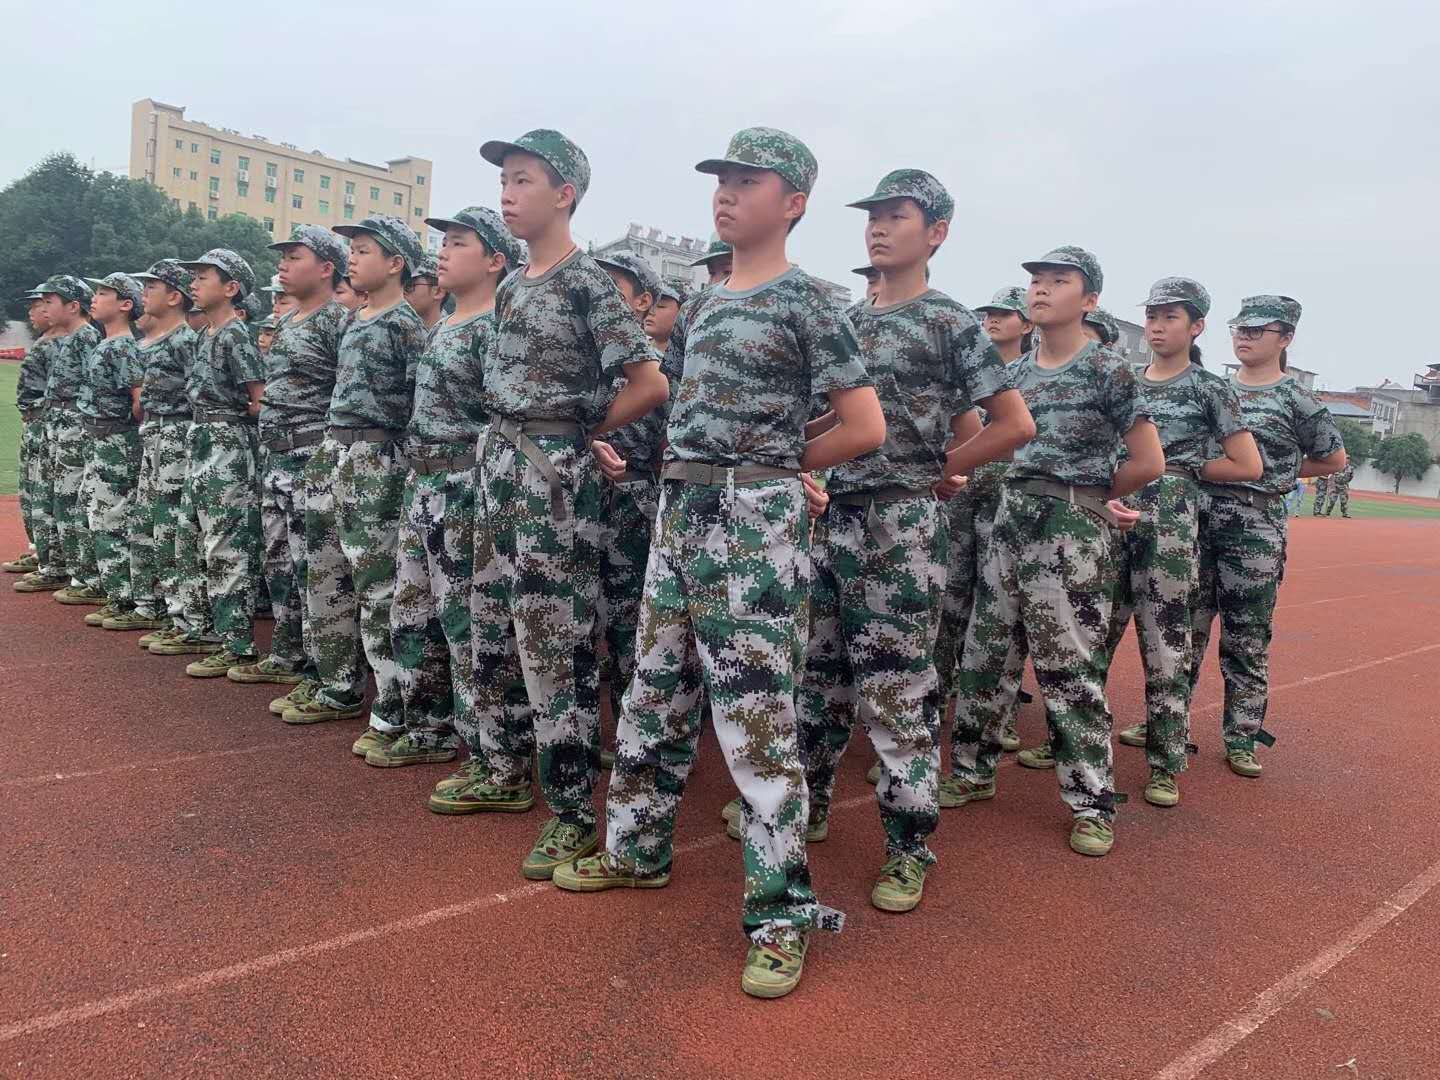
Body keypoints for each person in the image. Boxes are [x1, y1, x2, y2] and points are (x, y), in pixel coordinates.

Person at [555, 127, 885, 1001]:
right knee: (654, 687)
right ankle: (635, 848)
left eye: (749, 180)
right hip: (682, 508)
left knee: (755, 716)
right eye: (723, 179)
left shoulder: (811, 303)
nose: (727, 193)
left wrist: (779, 469)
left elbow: (864, 425)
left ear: (795, 202)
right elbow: (683, 407)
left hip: (752, 521)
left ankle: (780, 916)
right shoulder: (701, 305)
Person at [794, 169, 1033, 914]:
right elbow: (830, 417)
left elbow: (1012, 424)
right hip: (834, 519)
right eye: (873, 215)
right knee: (818, 677)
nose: (878, 226)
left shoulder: (949, 322)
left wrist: (941, 470)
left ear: (936, 233)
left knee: (898, 693)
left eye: (897, 216)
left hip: (901, 527)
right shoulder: (846, 321)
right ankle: (811, 804)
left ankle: (908, 846)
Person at [463, 128, 664, 877]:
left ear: (564, 194)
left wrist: (583, 435)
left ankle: (575, 811)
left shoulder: (587, 283)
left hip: (549, 476)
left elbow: (649, 383)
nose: (507, 195)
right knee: (492, 624)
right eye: (504, 181)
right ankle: (504, 769)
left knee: (555, 642)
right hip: (499, 463)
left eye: (523, 180)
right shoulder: (513, 283)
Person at [947, 246, 1162, 858]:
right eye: (1036, 280)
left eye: (1058, 281)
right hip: (1010, 518)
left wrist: (1090, 496)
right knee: (986, 653)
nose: (1040, 289)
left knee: (1069, 667)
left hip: (1071, 529)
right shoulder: (1013, 375)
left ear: (1089, 299)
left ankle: (1092, 802)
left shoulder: (1109, 370)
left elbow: (1148, 460)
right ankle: (971, 770)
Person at [1101, 279, 1261, 808]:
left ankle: (1165, 764)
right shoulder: (1122, 380)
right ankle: (1076, 744)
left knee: (1166, 646)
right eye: (1152, 316)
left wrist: (1181, 469)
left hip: (1170, 526)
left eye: (1170, 317)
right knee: (1093, 638)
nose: (1156, 326)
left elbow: (1247, 464)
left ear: (1196, 327)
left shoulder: (1209, 388)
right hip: (1112, 517)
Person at [281, 216, 429, 760]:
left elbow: (419, 406)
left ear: (395, 264)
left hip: (377, 459)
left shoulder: (406, 326)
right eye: (353, 250)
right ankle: (338, 684)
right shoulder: (353, 320)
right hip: (335, 451)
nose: (353, 258)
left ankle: (393, 704)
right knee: (324, 574)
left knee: (377, 586)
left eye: (364, 250)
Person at [392, 205, 527, 791]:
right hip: (423, 483)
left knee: (468, 624)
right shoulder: (445, 324)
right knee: (412, 611)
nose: (442, 253)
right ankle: (429, 728)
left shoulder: (494, 329)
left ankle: (496, 756)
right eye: (442, 243)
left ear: (495, 260)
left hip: (464, 487)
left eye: (457, 243)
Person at [1190, 296, 1346, 778]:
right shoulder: (1212, 388)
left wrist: (1276, 472)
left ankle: (1241, 736)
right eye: (1240, 329)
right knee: (1184, 628)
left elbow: (1333, 459)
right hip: (1198, 518)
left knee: (1246, 636)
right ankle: (1168, 721)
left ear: (1286, 338)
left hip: (1255, 526)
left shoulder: (1298, 399)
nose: (1245, 337)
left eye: (1257, 330)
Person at [226, 226, 349, 709]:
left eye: (295, 257)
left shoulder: (338, 321)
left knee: (313, 569)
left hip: (311, 455)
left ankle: (326, 672)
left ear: (326, 268)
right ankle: (288, 652)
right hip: (276, 456)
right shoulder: (291, 320)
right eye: (283, 257)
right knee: (279, 562)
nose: (282, 265)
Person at [937, 286, 1034, 757]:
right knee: (948, 601)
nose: (992, 320)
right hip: (962, 494)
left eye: (1004, 314)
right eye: (989, 313)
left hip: (1008, 498)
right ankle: (936, 702)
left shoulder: (1031, 375)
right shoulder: (965, 371)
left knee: (1000, 609)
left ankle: (1000, 711)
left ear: (1026, 324)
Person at [164, 250, 265, 675]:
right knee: (190, 534)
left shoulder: (235, 334)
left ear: (230, 288)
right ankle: (201, 626)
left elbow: (259, 400)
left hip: (227, 440)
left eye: (203, 277)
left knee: (226, 542)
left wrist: (235, 423)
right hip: (201, 436)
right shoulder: (205, 333)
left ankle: (236, 642)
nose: (194, 284)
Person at [592, 248, 667, 749]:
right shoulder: (583, 357)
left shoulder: (653, 366)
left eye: (614, 287)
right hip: (576, 493)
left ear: (643, 301)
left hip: (632, 500)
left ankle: (628, 730)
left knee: (627, 621)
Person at [114, 260, 198, 637]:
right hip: (153, 434)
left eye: (152, 287)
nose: (144, 293)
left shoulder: (186, 341)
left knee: (170, 525)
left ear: (175, 297)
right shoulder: (150, 341)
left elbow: (200, 396)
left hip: (177, 435)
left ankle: (181, 614)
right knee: (145, 521)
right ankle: (153, 603)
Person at [74, 274, 146, 629]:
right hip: (99, 438)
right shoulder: (107, 343)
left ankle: (123, 597)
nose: (95, 298)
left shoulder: (124, 347)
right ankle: (112, 590)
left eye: (104, 293)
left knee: (112, 517)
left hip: (115, 439)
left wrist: (123, 433)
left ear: (125, 305)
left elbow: (138, 399)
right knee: (97, 514)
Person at [38, 276, 104, 606]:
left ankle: (84, 573)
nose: (44, 307)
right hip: (59, 420)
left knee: (73, 496)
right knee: (58, 495)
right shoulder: (71, 337)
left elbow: (92, 386)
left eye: (51, 301)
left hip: (74, 422)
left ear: (73, 306)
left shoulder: (87, 337)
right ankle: (66, 565)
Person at [8, 285, 62, 587]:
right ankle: (40, 550)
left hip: (48, 423)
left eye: (40, 303)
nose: (32, 311)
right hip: (34, 422)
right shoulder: (45, 341)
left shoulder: (62, 344)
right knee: (30, 491)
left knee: (45, 494)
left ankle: (52, 557)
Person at [403, 253, 448, 330]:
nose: (402, 291)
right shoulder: (393, 329)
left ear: (438, 292)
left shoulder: (455, 335)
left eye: (409, 285)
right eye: (400, 283)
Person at [644, 280, 689, 356]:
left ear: (682, 313)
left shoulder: (690, 356)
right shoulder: (634, 348)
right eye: (649, 305)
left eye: (660, 306)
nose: (650, 311)